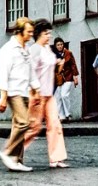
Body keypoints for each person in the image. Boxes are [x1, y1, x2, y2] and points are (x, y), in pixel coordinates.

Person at [0, 17, 39, 172]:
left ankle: (17, 160)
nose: (31, 34)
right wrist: (3, 96)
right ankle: (7, 152)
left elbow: (30, 70)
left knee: (18, 126)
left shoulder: (25, 48)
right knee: (24, 123)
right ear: (20, 32)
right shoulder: (8, 50)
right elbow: (3, 74)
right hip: (13, 91)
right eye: (28, 32)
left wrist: (36, 88)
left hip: (24, 91)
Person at [25, 19, 68, 169]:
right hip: (37, 94)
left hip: (48, 94)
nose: (49, 36)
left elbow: (48, 63)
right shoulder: (35, 49)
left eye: (49, 33)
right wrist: (35, 92)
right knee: (33, 127)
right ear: (39, 34)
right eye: (46, 33)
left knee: (55, 124)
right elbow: (30, 71)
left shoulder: (47, 49)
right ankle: (13, 152)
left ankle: (56, 158)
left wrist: (58, 63)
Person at [53, 37, 79, 121]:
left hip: (68, 77)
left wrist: (75, 77)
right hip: (58, 79)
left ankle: (68, 114)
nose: (60, 46)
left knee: (64, 95)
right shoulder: (54, 54)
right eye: (58, 45)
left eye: (61, 44)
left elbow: (73, 65)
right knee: (57, 97)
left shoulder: (68, 53)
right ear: (55, 46)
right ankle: (61, 116)